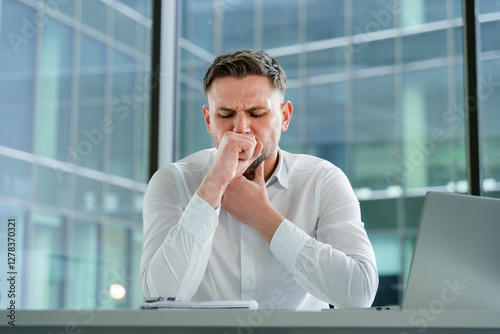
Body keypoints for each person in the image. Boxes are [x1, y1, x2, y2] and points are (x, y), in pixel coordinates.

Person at [140, 49, 378, 310]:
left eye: (256, 113)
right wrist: (212, 187)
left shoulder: (322, 181)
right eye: (226, 114)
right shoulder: (172, 181)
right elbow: (161, 295)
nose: (240, 128)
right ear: (209, 119)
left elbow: (359, 294)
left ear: (284, 117)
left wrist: (263, 217)